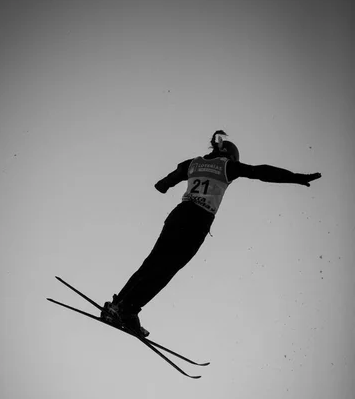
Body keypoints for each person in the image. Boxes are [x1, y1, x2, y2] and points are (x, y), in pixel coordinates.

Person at [101, 129, 321, 336]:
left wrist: (165, 184)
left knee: (152, 262)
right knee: (166, 270)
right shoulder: (227, 166)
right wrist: (296, 177)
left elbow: (165, 182)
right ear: (230, 156)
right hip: (197, 221)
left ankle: (118, 305)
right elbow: (261, 171)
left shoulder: (193, 163)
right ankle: (128, 310)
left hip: (178, 215)